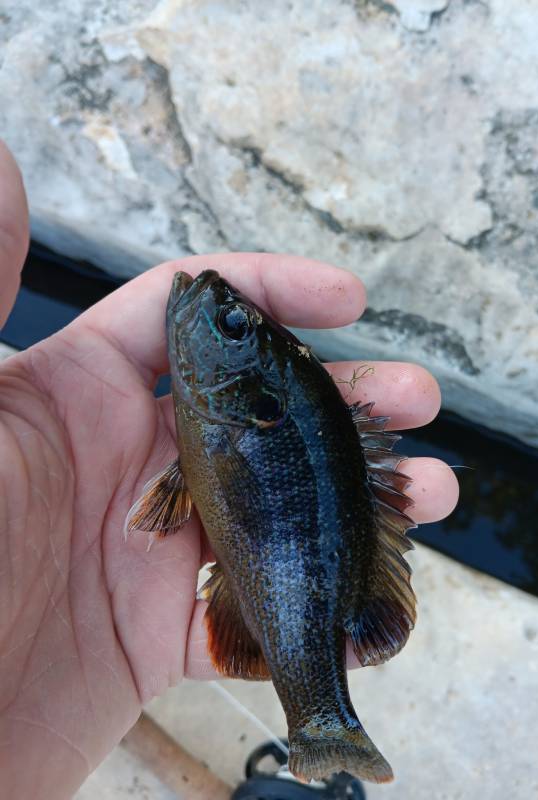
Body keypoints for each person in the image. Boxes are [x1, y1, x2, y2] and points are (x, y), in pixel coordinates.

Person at [0, 140, 459, 799]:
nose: (210, 301)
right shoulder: (231, 418)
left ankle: (322, 719)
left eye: (233, 325)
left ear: (252, 396)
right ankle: (322, 722)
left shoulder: (232, 420)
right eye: (238, 321)